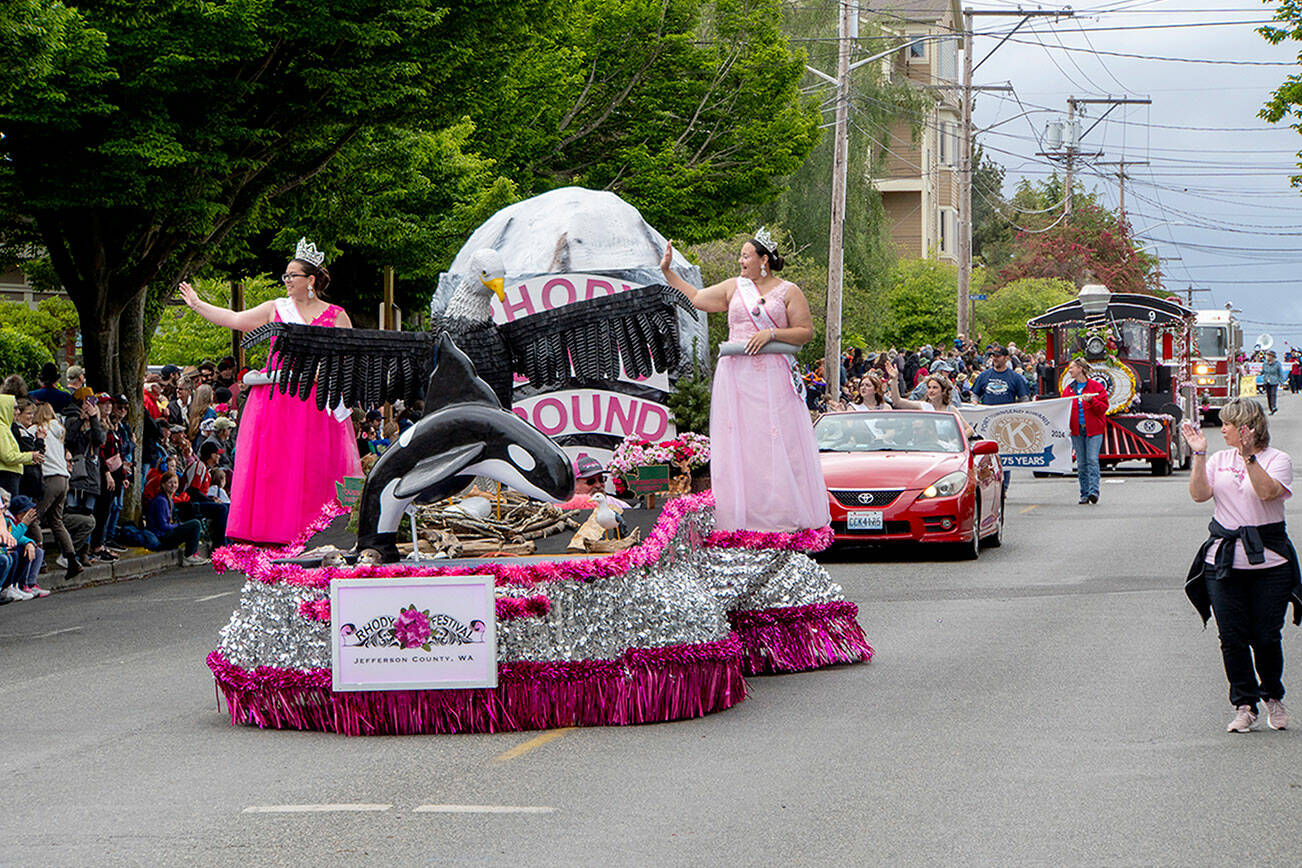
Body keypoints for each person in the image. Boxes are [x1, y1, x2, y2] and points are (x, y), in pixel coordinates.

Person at [179, 238, 362, 545]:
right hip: (278, 399)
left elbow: (350, 358)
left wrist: (326, 371)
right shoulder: (276, 308)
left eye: (293, 275)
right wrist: (197, 304)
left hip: (315, 401)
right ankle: (277, 531)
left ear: (311, 280)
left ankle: (321, 530)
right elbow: (236, 320)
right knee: (278, 465)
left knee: (316, 465)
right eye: (285, 276)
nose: (287, 281)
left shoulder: (336, 315)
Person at [659, 232, 829, 532]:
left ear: (764, 260)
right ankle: (742, 516)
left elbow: (805, 331)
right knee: (742, 442)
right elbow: (698, 299)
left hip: (774, 373)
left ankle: (782, 514)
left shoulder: (788, 291)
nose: (740, 260)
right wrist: (668, 272)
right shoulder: (734, 287)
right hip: (737, 374)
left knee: (775, 441)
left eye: (746, 255)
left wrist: (772, 334)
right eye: (740, 255)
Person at [1181, 398, 1300, 733]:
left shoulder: (1278, 459)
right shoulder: (1219, 459)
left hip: (1270, 563)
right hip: (1224, 561)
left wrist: (1249, 457)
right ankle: (1244, 704)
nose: (1222, 430)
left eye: (1228, 425)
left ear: (1246, 428)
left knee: (1265, 636)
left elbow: (1266, 493)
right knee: (1231, 637)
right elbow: (1199, 495)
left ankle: (1272, 696)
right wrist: (1199, 455)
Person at [31, 402, 86, 579]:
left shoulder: (35, 430)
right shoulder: (58, 432)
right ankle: (72, 560)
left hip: (49, 478)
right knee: (57, 521)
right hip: (64, 479)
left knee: (33, 519)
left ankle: (40, 561)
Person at [1062, 358, 1109, 505]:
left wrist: (1091, 401)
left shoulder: (1096, 387)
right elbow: (1062, 409)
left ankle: (1093, 491)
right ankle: (1084, 493)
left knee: (1092, 460)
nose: (1070, 371)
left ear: (1080, 369)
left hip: (1094, 430)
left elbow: (1103, 408)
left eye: (1072, 368)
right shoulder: (1069, 389)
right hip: (1077, 430)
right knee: (1081, 463)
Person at [143, 471, 208, 566]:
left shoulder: (168, 499)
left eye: (175, 483)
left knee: (193, 524)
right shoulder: (160, 500)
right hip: (161, 537)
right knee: (195, 524)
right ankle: (189, 556)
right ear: (163, 484)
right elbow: (163, 526)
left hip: (166, 533)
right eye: (170, 483)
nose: (173, 485)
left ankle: (193, 554)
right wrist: (179, 526)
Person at [0, 391, 43, 498]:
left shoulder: (6, 428)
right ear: (5, 408)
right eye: (15, 408)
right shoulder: (2, 428)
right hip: (6, 475)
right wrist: (31, 456)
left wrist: (31, 458)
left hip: (10, 475)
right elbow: (7, 456)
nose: (17, 412)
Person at [1260, 350, 1285, 415]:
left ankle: (1273, 407)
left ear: (1272, 356)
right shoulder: (1265, 363)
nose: (1267, 357)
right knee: (1268, 395)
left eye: (1268, 355)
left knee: (1273, 394)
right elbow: (1263, 371)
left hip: (1274, 381)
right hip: (1266, 381)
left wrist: (1282, 382)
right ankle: (1270, 408)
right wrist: (1259, 373)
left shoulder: (1277, 364)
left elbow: (1280, 373)